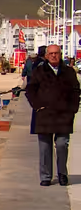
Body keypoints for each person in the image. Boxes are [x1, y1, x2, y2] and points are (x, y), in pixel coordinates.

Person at [25, 44, 81, 186]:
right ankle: (46, 176)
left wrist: (73, 108)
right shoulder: (39, 72)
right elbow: (30, 90)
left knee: (62, 145)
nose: (54, 56)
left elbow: (76, 91)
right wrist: (37, 106)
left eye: (56, 53)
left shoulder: (69, 72)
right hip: (44, 115)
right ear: (46, 56)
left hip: (64, 115)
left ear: (60, 54)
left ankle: (62, 174)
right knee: (45, 147)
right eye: (51, 53)